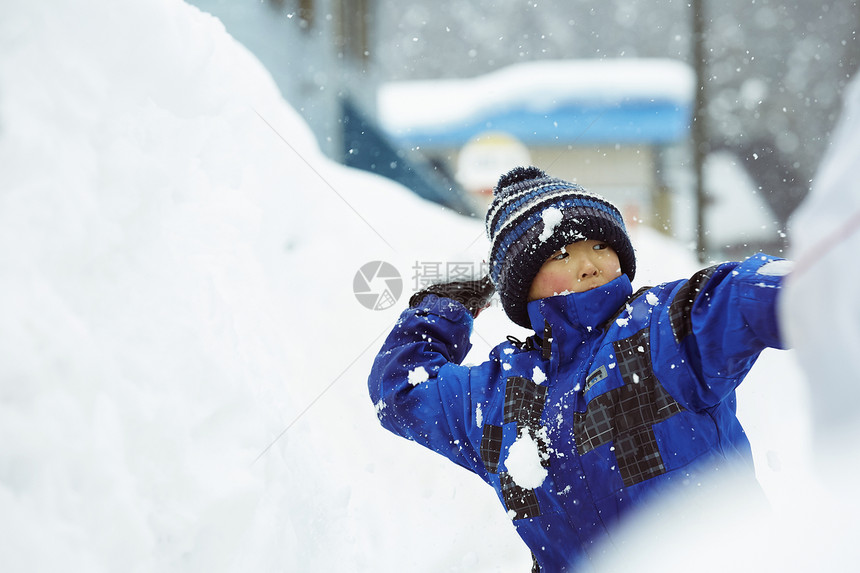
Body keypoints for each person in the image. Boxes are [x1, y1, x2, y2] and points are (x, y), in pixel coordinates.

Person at [368, 166, 790, 571]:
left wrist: (808, 287)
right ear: (523, 283)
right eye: (561, 253)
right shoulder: (497, 395)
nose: (588, 263)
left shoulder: (661, 331)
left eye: (601, 246)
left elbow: (739, 296)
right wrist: (448, 306)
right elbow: (399, 389)